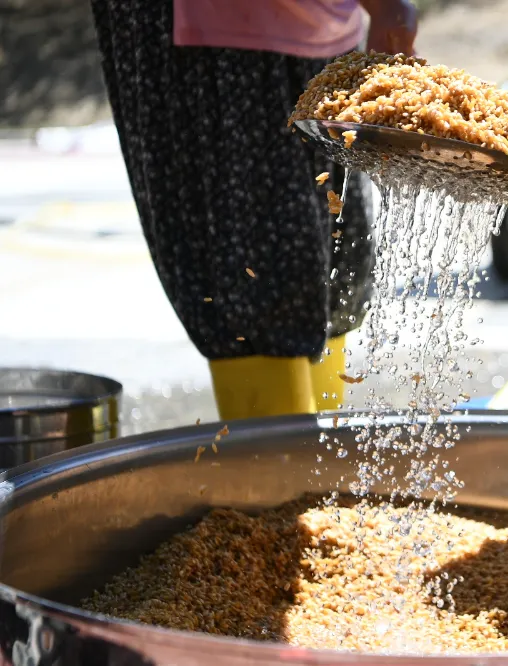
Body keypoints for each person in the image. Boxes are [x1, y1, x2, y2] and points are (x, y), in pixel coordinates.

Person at [89, 0, 417, 420]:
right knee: (257, 281)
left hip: (323, 29)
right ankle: (279, 476)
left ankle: (328, 469)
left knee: (339, 274)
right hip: (212, 36)